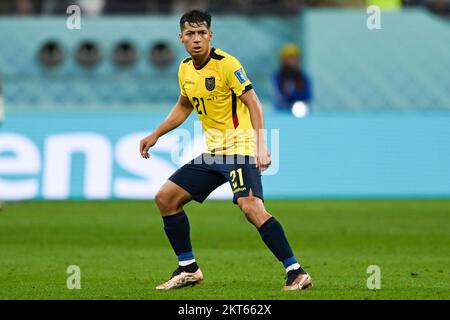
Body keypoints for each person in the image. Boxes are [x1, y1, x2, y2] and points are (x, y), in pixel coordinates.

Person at [139, 10, 313, 291]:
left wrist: (261, 146)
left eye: (201, 33)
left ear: (210, 35)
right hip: (214, 153)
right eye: (190, 34)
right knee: (166, 198)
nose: (196, 39)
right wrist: (156, 134)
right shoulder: (185, 68)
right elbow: (185, 106)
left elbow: (254, 103)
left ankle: (296, 272)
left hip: (240, 149)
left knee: (250, 207)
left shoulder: (227, 64)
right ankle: (189, 269)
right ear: (181, 38)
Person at [272, 43, 312, 112]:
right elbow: (278, 94)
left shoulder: (303, 77)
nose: (292, 61)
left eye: (294, 58)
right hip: (282, 110)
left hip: (301, 110)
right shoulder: (278, 77)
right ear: (283, 60)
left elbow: (308, 95)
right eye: (289, 58)